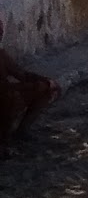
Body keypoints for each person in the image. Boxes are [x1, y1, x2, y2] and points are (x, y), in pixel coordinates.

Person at [0, 17, 60, 158]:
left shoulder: (1, 55)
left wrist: (47, 81)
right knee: (11, 97)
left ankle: (19, 132)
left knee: (44, 87)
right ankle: (6, 140)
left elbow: (22, 74)